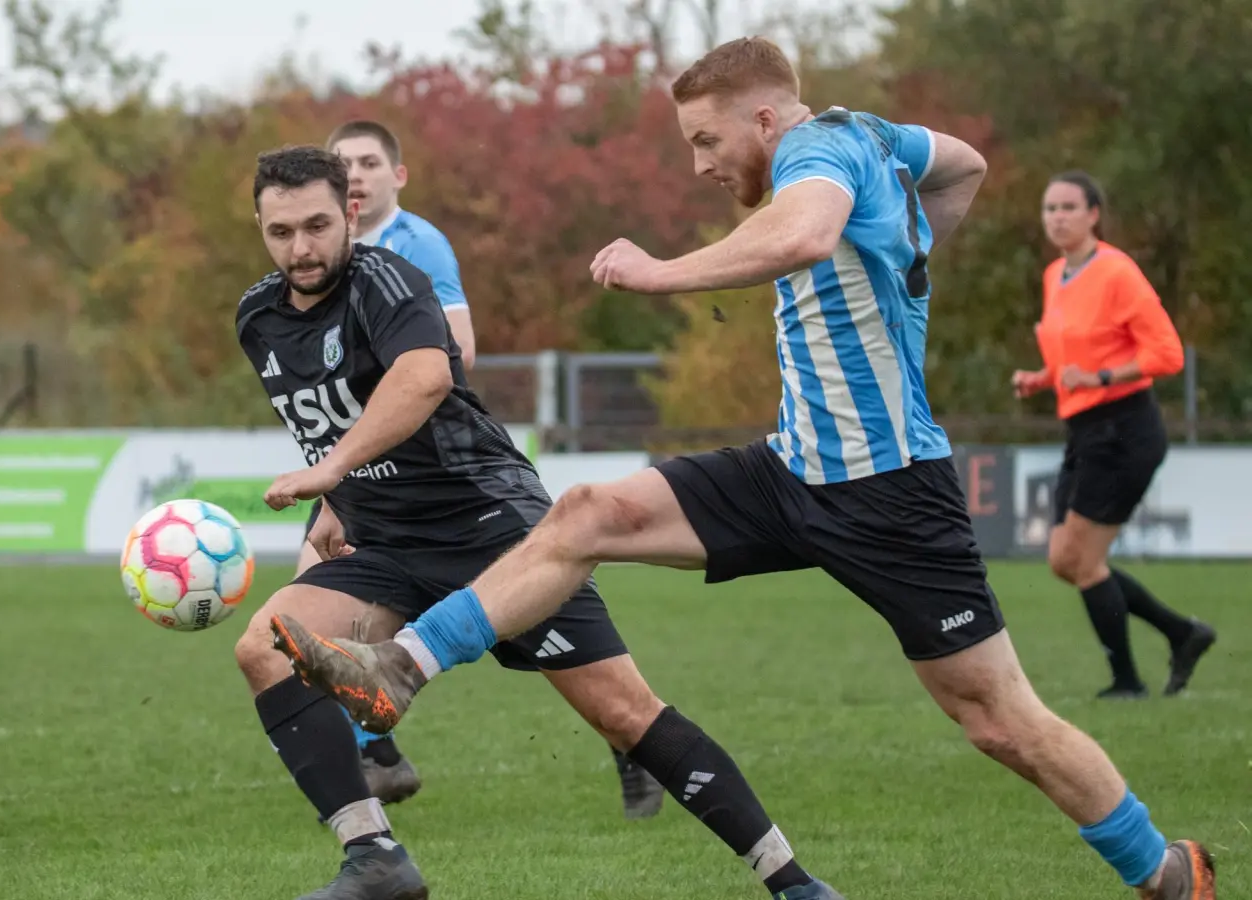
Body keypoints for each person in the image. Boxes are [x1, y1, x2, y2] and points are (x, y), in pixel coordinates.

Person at [269, 37, 1218, 900]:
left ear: (765, 117)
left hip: (891, 497)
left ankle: (1165, 871)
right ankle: (402, 665)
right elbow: (964, 164)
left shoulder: (818, 152)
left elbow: (802, 235)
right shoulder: (873, 140)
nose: (701, 163)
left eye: (705, 139)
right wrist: (913, 246)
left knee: (1001, 721)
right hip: (791, 468)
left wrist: (659, 271)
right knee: (587, 513)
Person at [237, 145, 840, 900]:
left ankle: (793, 882)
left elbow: (422, 378)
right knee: (266, 647)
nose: (301, 248)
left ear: (352, 214)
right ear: (259, 227)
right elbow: (339, 415)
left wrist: (329, 473)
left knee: (625, 715)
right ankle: (374, 859)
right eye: (281, 231)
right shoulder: (256, 317)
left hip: (494, 528)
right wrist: (337, 496)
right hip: (386, 544)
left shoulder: (388, 283)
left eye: (317, 225)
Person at [298, 120, 665, 818]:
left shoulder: (417, 245)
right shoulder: (320, 263)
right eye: (342, 164)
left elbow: (454, 345)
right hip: (365, 478)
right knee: (308, 614)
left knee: (545, 627)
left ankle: (631, 739)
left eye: (369, 162)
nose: (356, 175)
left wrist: (381, 404)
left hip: (446, 478)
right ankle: (375, 760)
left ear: (397, 176)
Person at [1012, 171, 1217, 699]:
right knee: (1064, 560)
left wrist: (1102, 377)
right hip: (1084, 430)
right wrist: (1044, 376)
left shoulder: (1117, 272)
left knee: (1082, 562)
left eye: (1068, 207)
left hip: (1125, 429)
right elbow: (1077, 355)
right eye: (1049, 208)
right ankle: (1181, 632)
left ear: (1093, 214)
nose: (1057, 217)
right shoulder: (1055, 274)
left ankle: (1127, 681)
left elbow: (1166, 354)